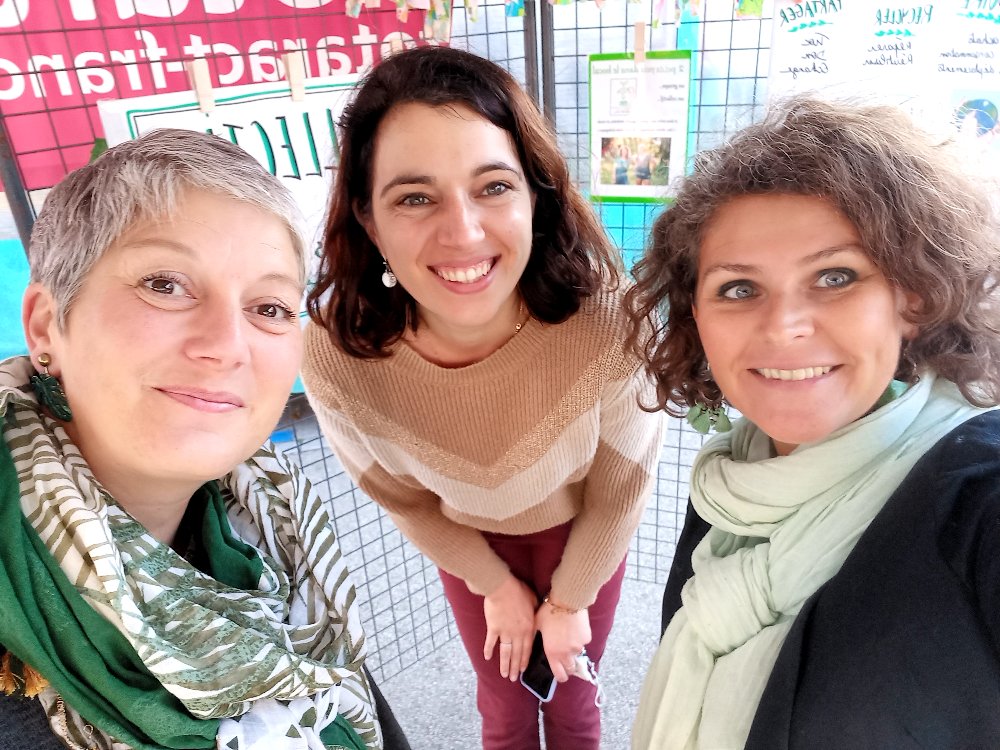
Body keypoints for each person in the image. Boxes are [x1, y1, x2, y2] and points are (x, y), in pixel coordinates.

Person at [301, 46, 663, 750]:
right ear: (368, 221)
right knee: (502, 710)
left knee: (573, 705)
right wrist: (493, 586)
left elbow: (621, 486)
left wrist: (569, 602)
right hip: (467, 543)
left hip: (585, 534)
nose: (463, 232)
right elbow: (404, 499)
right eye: (414, 197)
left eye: (493, 186)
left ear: (536, 196)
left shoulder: (610, 324)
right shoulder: (335, 355)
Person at [0, 129, 408, 750]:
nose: (226, 344)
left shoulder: (275, 535)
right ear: (47, 324)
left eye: (269, 307)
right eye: (165, 284)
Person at [627, 94, 1000, 749]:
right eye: (739, 288)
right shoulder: (731, 490)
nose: (783, 326)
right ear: (697, 320)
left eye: (834, 276)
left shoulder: (978, 498)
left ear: (912, 299)